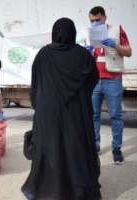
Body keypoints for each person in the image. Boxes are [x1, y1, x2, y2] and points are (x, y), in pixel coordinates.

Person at [22, 18, 101, 200]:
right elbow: (93, 80)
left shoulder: (43, 54)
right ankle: (77, 190)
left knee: (52, 147)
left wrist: (39, 105)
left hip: (49, 113)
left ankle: (50, 188)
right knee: (75, 148)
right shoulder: (84, 55)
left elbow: (36, 84)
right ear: (72, 33)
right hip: (76, 112)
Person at [87, 6, 132, 165]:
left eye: (98, 20)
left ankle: (116, 149)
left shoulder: (116, 30)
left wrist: (115, 45)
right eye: (92, 21)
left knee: (115, 115)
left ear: (105, 17)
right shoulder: (88, 34)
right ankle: (95, 145)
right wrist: (87, 51)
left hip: (112, 78)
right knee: (93, 115)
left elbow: (128, 52)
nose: (95, 23)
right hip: (94, 80)